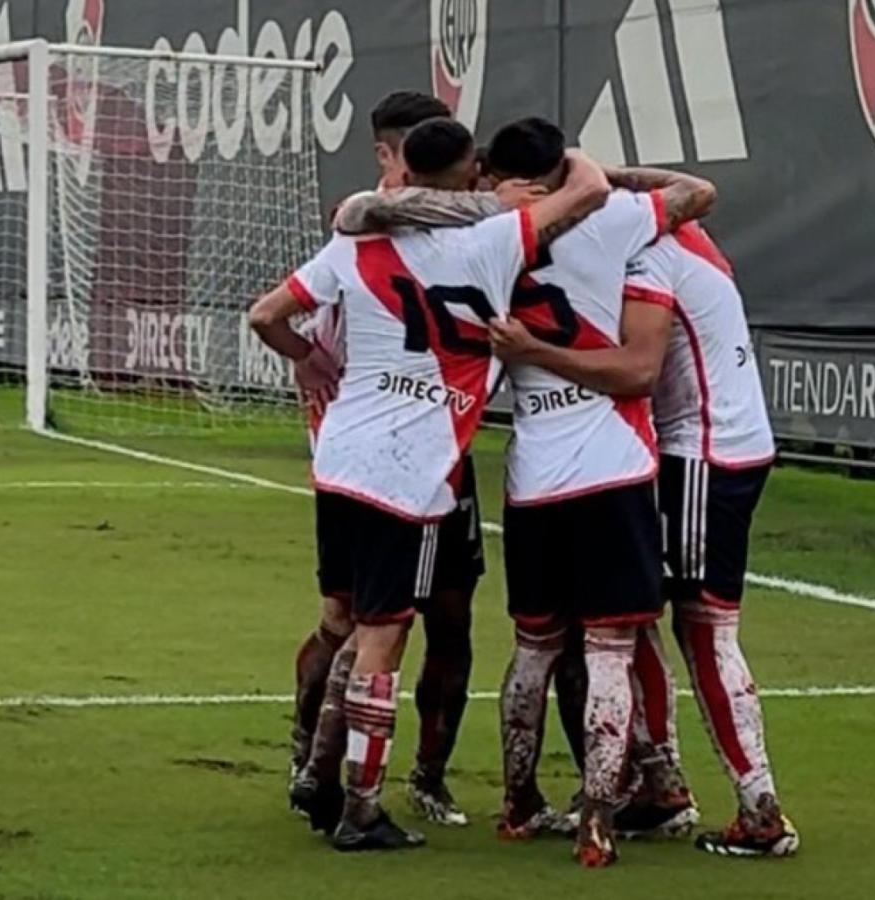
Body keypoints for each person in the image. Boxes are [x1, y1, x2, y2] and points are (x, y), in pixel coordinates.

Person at [249, 117, 610, 851]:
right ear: (471, 167)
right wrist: (540, 169)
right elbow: (592, 186)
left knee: (346, 619)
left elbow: (264, 314)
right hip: (411, 466)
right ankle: (360, 806)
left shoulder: (357, 237)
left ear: (403, 167)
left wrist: (307, 357)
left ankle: (316, 771)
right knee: (385, 637)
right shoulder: (495, 238)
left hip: (340, 453)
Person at [489, 219, 800, 859]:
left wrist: (534, 351)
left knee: (704, 629)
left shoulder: (642, 255)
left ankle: (760, 808)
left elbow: (639, 369)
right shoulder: (686, 231)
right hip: (724, 441)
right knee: (636, 619)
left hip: (701, 452)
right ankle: (661, 785)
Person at [288, 90, 491, 832]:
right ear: (386, 155)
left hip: (417, 457)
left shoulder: (426, 225)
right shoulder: (361, 222)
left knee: (446, 616)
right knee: (367, 622)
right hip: (392, 456)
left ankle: (415, 777)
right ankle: (324, 768)